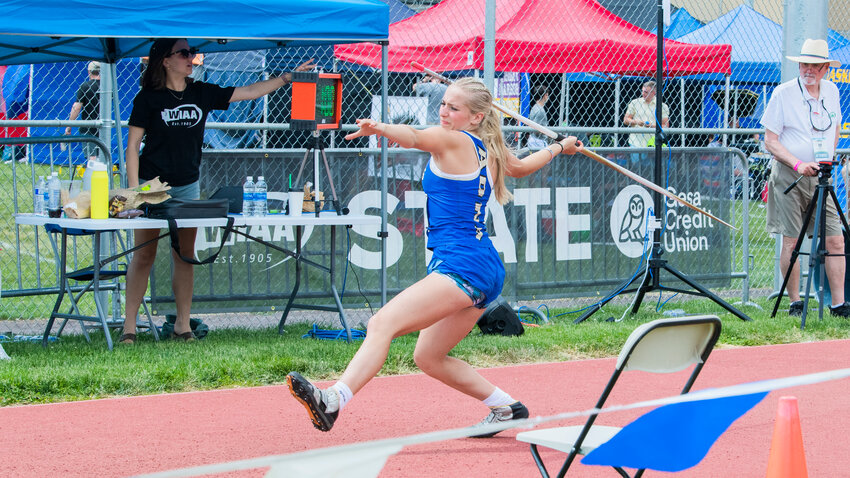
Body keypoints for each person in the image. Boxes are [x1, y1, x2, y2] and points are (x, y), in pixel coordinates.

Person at [286, 77, 582, 434]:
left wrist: (379, 126)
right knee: (428, 356)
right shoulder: (486, 147)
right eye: (443, 103)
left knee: (382, 324)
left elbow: (413, 136)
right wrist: (560, 147)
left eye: (453, 107)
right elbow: (519, 167)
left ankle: (332, 400)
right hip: (482, 266)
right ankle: (508, 407)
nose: (443, 111)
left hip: (463, 265)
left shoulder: (452, 139)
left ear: (475, 117)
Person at [118, 38, 314, 345]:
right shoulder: (148, 98)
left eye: (192, 52)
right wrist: (135, 193)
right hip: (152, 186)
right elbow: (131, 147)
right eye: (184, 52)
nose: (191, 57)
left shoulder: (201, 91)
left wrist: (285, 79)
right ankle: (129, 328)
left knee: (185, 256)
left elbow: (249, 92)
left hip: (187, 185)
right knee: (144, 256)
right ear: (165, 61)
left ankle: (183, 326)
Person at [761, 38, 849, 318]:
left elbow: (835, 125)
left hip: (821, 175)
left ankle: (838, 305)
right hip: (790, 175)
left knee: (835, 239)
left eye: (814, 65)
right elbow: (770, 141)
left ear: (825, 68)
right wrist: (798, 163)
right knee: (792, 241)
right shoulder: (783, 93)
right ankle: (795, 302)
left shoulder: (832, 91)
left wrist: (827, 158)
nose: (808, 69)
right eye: (804, 64)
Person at [65, 61, 102, 161]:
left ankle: (94, 175)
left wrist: (69, 126)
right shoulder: (107, 87)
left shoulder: (85, 86)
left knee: (92, 156)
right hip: (103, 126)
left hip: (88, 126)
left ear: (89, 72)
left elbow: (76, 107)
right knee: (102, 154)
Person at [623, 80, 670, 148]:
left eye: (646, 92)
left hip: (653, 142)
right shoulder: (635, 103)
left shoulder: (662, 106)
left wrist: (651, 126)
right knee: (636, 158)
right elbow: (625, 120)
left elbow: (665, 126)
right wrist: (636, 122)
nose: (643, 93)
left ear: (653, 93)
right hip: (635, 142)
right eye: (642, 91)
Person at [526, 85, 550, 150]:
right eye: (547, 95)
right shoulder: (540, 111)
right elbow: (537, 130)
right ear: (544, 95)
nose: (548, 97)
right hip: (539, 141)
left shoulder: (534, 107)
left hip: (534, 140)